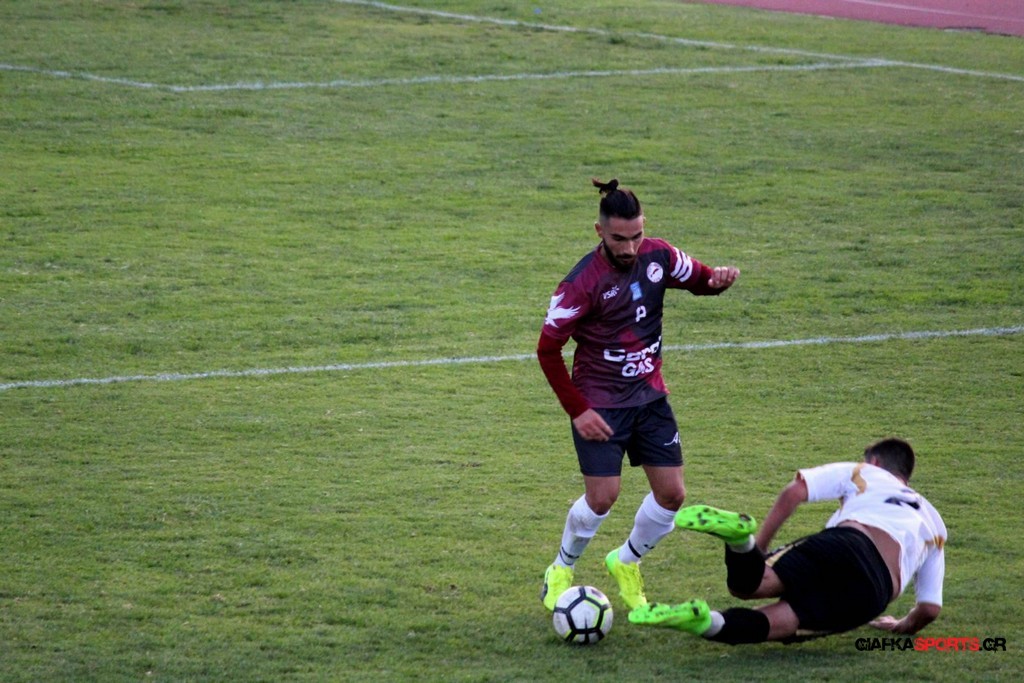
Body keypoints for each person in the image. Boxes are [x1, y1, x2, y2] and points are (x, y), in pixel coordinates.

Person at [537, 178, 740, 611]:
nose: (629, 248)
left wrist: (719, 281)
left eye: (636, 236)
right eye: (618, 239)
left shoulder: (659, 255)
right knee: (602, 498)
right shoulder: (579, 284)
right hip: (600, 403)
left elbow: (700, 280)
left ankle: (626, 561)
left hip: (649, 397)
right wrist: (578, 410)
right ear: (599, 231)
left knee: (672, 495)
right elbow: (547, 350)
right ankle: (561, 568)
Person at [628, 437, 947, 643]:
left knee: (749, 584)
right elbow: (930, 609)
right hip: (875, 589)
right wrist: (903, 625)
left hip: (848, 541)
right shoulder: (935, 523)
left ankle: (740, 541)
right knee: (777, 624)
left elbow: (795, 491)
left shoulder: (865, 472)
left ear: (874, 462)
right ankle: (702, 621)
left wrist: (759, 547)